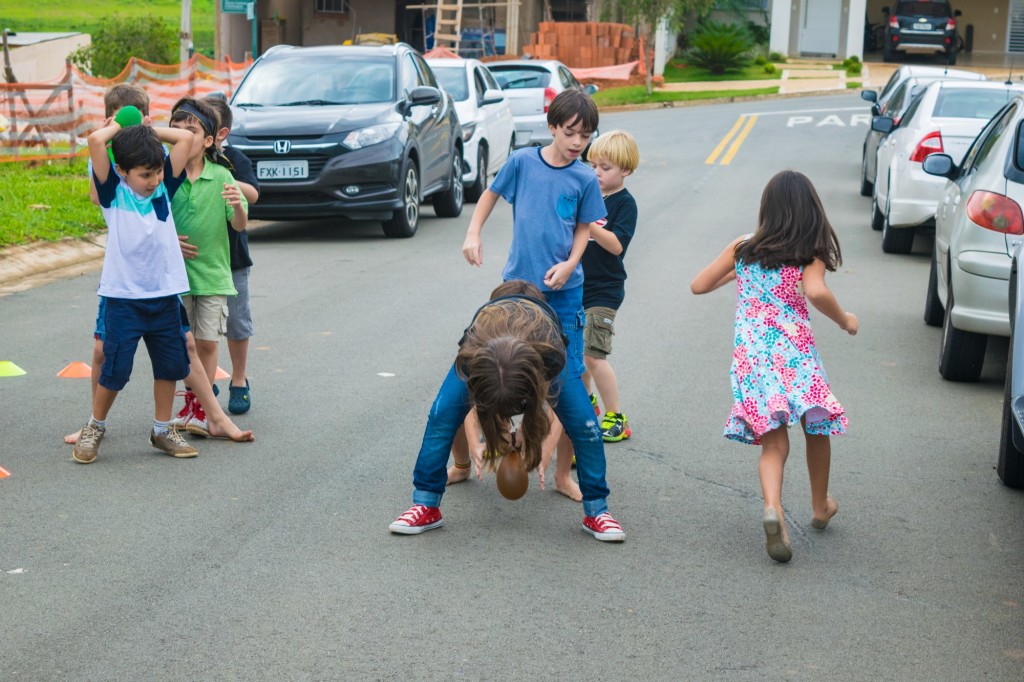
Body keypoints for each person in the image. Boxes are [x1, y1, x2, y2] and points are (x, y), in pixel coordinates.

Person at [389, 89, 625, 542]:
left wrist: (573, 264)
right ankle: (425, 503)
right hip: (514, 299)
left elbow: (585, 228)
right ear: (553, 126)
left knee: (580, 414)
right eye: (571, 132)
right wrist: (473, 234)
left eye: (586, 136)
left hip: (563, 296)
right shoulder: (522, 162)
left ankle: (597, 508)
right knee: (443, 409)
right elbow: (489, 196)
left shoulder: (583, 178)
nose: (578, 142)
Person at [690, 170, 858, 563]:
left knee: (773, 442)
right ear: (809, 212)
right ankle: (820, 506)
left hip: (752, 358)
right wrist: (845, 319)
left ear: (767, 210)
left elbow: (698, 284)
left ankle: (773, 509)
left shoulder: (743, 248)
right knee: (817, 427)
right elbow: (815, 290)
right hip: (794, 357)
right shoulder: (807, 254)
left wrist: (742, 272)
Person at [71, 120, 199, 463]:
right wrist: (119, 127)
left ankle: (161, 430)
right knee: (115, 369)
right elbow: (96, 140)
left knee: (170, 366)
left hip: (164, 296)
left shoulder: (164, 188)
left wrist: (147, 129)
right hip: (123, 299)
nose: (153, 180)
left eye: (157, 171)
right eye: (145, 174)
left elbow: (186, 138)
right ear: (121, 170)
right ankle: (95, 426)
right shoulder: (113, 193)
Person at [65, 84, 151, 446]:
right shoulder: (103, 155)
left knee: (182, 347)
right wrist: (110, 140)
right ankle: (94, 421)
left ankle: (195, 413)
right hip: (120, 271)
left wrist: (143, 132)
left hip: (156, 269)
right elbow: (93, 196)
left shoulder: (155, 153)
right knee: (102, 350)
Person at [165, 97, 248, 435]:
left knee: (208, 343)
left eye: (192, 130)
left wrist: (237, 208)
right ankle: (190, 406)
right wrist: (170, 242)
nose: (184, 135)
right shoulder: (165, 176)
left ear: (210, 140)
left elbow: (240, 225)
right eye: (177, 129)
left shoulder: (223, 175)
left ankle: (202, 409)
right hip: (175, 278)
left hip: (213, 275)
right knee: (183, 346)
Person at [579, 129, 639, 443]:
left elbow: (616, 245)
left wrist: (588, 222)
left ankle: (616, 416)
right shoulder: (589, 195)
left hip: (605, 290)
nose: (598, 173)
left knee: (594, 354)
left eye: (606, 168)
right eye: (594, 166)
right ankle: (586, 407)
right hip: (576, 287)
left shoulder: (624, 205)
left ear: (625, 170)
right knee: (579, 353)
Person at [204, 95, 259, 415]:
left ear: (221, 132)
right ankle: (205, 382)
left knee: (237, 323)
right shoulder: (187, 159)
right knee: (202, 327)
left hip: (233, 257)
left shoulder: (234, 159)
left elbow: (253, 193)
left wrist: (224, 179)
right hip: (200, 256)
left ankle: (239, 380)